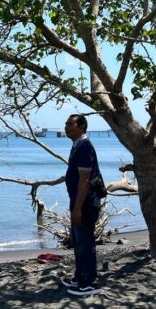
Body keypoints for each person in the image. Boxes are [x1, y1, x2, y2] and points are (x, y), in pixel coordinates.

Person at [60, 114, 102, 296]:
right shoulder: (77, 145)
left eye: (70, 124)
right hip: (78, 201)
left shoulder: (84, 147)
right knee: (78, 242)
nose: (66, 127)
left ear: (82, 126)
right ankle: (80, 277)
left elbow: (84, 181)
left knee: (85, 242)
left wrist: (77, 209)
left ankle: (89, 282)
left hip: (85, 203)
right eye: (66, 123)